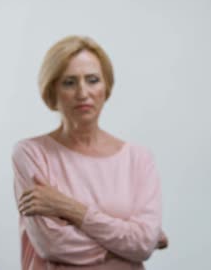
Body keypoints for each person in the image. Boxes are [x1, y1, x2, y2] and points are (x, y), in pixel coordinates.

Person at [12, 35, 167, 270]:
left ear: (106, 87)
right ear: (52, 89)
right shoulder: (32, 154)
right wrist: (128, 245)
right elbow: (53, 245)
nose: (83, 92)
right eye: (69, 82)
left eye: (92, 80)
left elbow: (143, 243)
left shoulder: (138, 158)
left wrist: (68, 208)